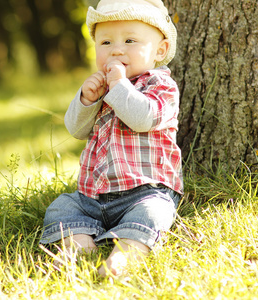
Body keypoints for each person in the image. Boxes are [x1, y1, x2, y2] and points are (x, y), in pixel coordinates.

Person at [40, 0, 183, 277]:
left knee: (154, 214)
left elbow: (142, 117)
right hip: (92, 197)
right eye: (105, 43)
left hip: (145, 192)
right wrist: (86, 100)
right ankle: (79, 246)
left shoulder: (160, 86)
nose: (116, 49)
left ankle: (126, 254)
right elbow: (76, 129)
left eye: (130, 40)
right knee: (62, 207)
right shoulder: (102, 86)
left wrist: (119, 85)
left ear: (160, 50)